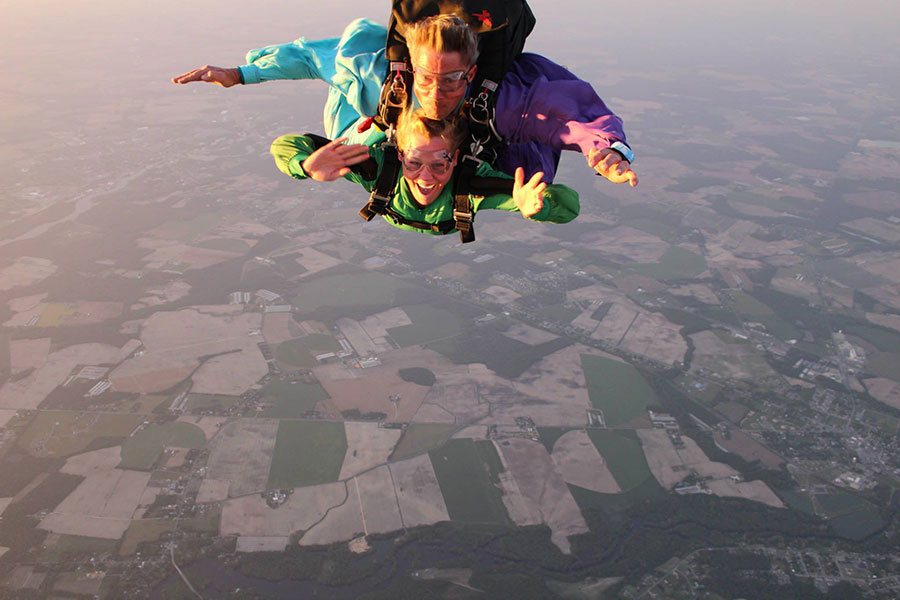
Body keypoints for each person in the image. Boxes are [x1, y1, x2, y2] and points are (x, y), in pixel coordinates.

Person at [173, 16, 637, 186]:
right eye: (426, 77)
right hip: (371, 126)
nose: (436, 93)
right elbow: (313, 57)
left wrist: (605, 152)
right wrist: (240, 75)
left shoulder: (501, 103)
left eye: (453, 79)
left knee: (529, 173)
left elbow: (566, 116)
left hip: (487, 151)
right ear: (409, 68)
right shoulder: (373, 75)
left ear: (471, 73)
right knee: (354, 140)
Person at [270, 109, 579, 237]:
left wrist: (538, 205)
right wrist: (305, 166)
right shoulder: (379, 168)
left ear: (456, 159)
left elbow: (568, 207)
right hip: (381, 141)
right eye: (414, 163)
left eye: (440, 164)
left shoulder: (474, 183)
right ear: (401, 156)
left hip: (495, 156)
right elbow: (284, 146)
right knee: (344, 128)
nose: (426, 178)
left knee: (535, 170)